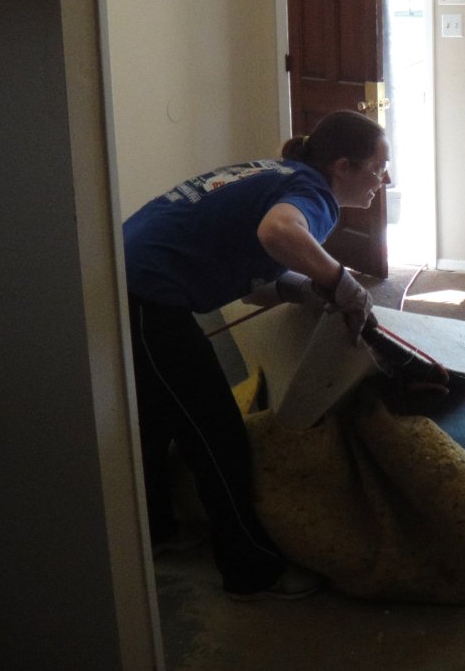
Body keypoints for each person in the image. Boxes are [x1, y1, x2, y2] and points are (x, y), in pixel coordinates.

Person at [123, 109, 391, 600]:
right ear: (343, 167)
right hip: (147, 296)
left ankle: (154, 530)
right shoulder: (315, 196)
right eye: (378, 167)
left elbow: (251, 281)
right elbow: (278, 233)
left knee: (156, 417)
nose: (384, 180)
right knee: (216, 434)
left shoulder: (279, 173)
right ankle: (250, 571)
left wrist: (303, 289)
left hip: (120, 279)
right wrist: (342, 284)